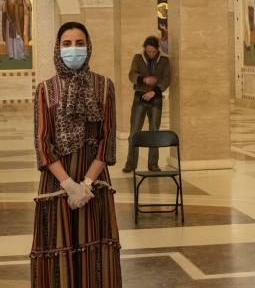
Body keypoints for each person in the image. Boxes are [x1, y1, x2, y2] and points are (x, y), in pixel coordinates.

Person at [30, 22, 121, 287]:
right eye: (67, 44)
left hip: (93, 183)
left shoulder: (104, 86)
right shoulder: (46, 89)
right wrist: (69, 186)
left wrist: (85, 185)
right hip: (57, 183)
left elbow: (108, 139)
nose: (74, 49)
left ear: (89, 46)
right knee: (58, 250)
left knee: (94, 252)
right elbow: (43, 142)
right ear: (58, 49)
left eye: (79, 43)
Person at [123, 36, 171, 173]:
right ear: (145, 48)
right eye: (149, 51)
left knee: (154, 131)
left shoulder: (164, 60)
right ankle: (130, 164)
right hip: (140, 97)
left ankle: (153, 164)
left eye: (154, 52)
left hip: (155, 98)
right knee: (134, 131)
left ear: (158, 49)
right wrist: (143, 79)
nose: (151, 54)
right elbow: (131, 74)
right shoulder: (138, 58)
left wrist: (155, 91)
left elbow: (167, 79)